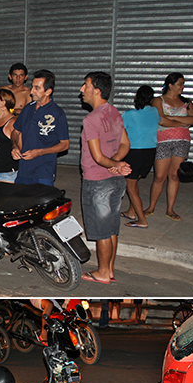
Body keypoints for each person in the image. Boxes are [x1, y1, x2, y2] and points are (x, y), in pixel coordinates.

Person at [79, 71, 131, 285]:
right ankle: (109, 269)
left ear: (97, 91)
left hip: (97, 181)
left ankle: (101, 272)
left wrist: (113, 164)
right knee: (111, 227)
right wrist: (115, 165)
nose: (82, 90)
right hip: (114, 180)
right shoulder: (114, 112)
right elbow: (125, 144)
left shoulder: (91, 119)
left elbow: (98, 156)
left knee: (101, 230)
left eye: (86, 85)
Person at [144, 72, 193, 221]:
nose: (182, 86)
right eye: (180, 83)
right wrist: (183, 122)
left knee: (174, 175)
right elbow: (161, 120)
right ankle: (151, 207)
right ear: (170, 85)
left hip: (182, 141)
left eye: (183, 84)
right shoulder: (158, 100)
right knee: (160, 176)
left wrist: (172, 117)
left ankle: (170, 209)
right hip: (162, 141)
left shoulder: (187, 102)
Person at [11, 69, 69, 186]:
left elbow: (65, 144)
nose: (31, 91)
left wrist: (39, 152)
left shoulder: (57, 113)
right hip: (24, 170)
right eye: (32, 87)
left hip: (44, 171)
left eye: (37, 88)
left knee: (42, 202)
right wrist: (15, 146)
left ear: (48, 91)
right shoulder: (28, 109)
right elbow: (15, 132)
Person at [120, 85, 160, 228]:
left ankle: (142, 220)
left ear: (136, 97)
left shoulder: (128, 115)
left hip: (134, 153)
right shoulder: (155, 111)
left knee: (130, 187)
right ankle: (131, 211)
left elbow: (119, 133)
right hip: (150, 152)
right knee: (134, 182)